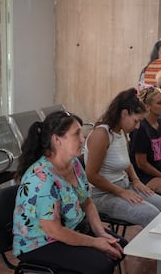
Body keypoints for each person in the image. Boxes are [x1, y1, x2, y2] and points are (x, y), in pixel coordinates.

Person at [13, 111, 126, 274]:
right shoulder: (41, 179)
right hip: (41, 243)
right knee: (101, 264)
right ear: (57, 140)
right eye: (76, 134)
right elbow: (55, 231)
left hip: (70, 229)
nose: (83, 139)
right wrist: (95, 242)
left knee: (120, 247)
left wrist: (100, 232)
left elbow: (87, 202)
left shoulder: (74, 164)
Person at [84, 88, 161, 228]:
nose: (137, 127)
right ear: (124, 113)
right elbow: (91, 175)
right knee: (151, 214)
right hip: (102, 195)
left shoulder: (121, 132)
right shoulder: (102, 134)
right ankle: (147, 249)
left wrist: (135, 180)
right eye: (136, 121)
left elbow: (126, 162)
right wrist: (121, 192)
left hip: (124, 186)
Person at [129, 87, 161, 198]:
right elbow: (141, 164)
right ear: (148, 107)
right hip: (146, 177)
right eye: (159, 103)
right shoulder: (141, 128)